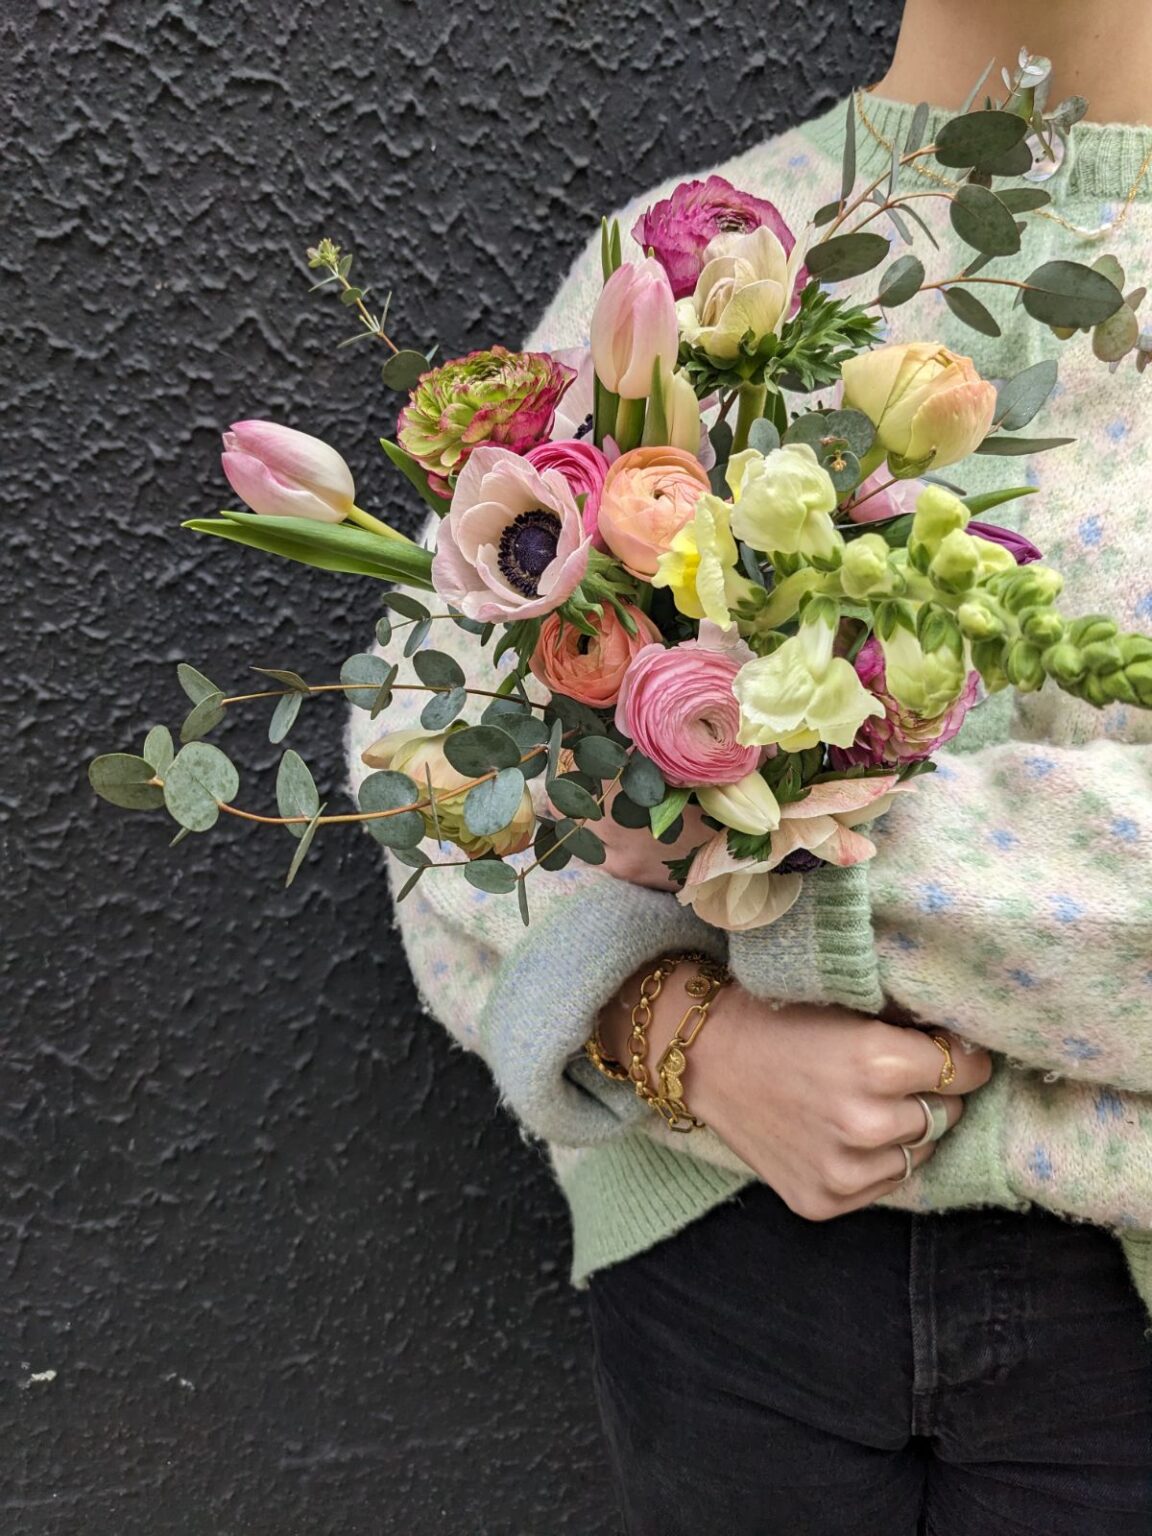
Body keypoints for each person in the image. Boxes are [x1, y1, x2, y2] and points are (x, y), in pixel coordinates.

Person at [346, 1, 1152, 1528]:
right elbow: (431, 754)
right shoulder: (689, 255)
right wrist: (679, 1040)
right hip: (724, 1260)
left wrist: (782, 874)